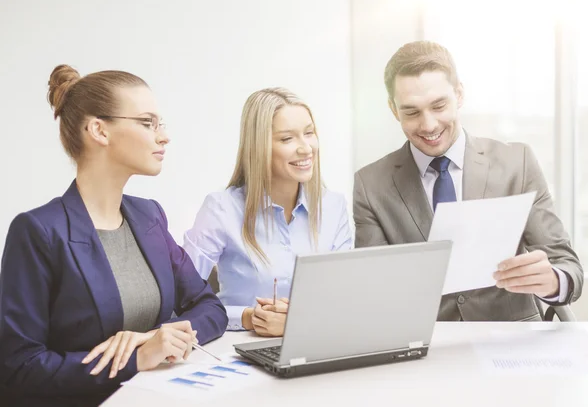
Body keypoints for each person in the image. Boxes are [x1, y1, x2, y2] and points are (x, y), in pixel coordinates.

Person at [0, 65, 228, 406]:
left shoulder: (149, 215)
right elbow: (20, 369)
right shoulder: (38, 232)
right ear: (99, 130)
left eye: (159, 123)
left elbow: (209, 306)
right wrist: (136, 359)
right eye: (147, 122)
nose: (162, 135)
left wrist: (153, 338)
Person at [353, 41, 583, 321]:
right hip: (427, 347)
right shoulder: (370, 185)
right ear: (393, 109)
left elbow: (566, 264)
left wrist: (553, 281)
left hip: (512, 341)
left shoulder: (517, 163)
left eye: (439, 106)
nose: (428, 125)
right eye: (412, 112)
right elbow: (373, 288)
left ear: (459, 94)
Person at [183, 87, 353, 336]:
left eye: (309, 133)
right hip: (242, 349)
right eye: (287, 139)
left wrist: (299, 320)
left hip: (317, 341)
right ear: (259, 147)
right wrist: (248, 317)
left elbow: (344, 297)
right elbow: (182, 301)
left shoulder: (333, 206)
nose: (306, 148)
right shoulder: (222, 208)